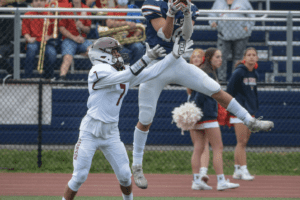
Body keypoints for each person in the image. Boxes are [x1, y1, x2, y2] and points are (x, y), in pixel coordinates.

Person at [131, 0, 274, 190]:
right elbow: (165, 35)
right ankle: (137, 165)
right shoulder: (153, 4)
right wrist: (172, 13)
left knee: (215, 89)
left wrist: (188, 14)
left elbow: (187, 34)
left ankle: (250, 121)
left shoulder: (191, 6)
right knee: (146, 118)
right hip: (155, 65)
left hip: (176, 62)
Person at [61, 36, 193, 200]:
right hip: (90, 131)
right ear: (102, 54)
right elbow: (126, 76)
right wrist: (146, 58)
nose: (118, 54)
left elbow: (151, 72)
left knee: (124, 175)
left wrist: (173, 56)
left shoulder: (120, 70)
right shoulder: (97, 70)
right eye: (114, 51)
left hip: (111, 133)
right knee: (79, 176)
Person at [189, 48, 240, 191]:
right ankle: (221, 181)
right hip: (207, 115)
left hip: (197, 115)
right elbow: (200, 95)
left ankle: (196, 180)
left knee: (198, 148)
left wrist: (193, 112)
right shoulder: (208, 73)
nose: (220, 59)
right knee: (218, 147)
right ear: (210, 58)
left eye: (221, 57)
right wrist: (198, 110)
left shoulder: (203, 71)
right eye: (217, 57)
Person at [227, 47, 259, 181]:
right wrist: (237, 106)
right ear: (244, 57)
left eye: (254, 55)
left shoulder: (255, 74)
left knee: (243, 142)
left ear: (257, 58)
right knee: (241, 141)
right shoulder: (239, 72)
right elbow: (229, 90)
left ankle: (237, 170)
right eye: (249, 55)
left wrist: (254, 108)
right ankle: (244, 170)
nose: (251, 57)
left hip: (250, 112)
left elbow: (253, 93)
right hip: (239, 112)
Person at [208, 0, 255, 81]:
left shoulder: (243, 1)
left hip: (241, 36)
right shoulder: (218, 2)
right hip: (223, 36)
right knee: (220, 57)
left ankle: (236, 79)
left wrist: (248, 27)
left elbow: (252, 16)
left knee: (238, 58)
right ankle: (221, 79)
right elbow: (211, 14)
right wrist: (212, 22)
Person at [186, 49, 210, 190]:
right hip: (193, 108)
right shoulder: (188, 71)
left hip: (205, 108)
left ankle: (203, 173)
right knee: (198, 145)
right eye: (193, 57)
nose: (195, 58)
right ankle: (197, 176)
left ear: (203, 58)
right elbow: (189, 91)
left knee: (205, 143)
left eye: (198, 56)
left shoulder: (207, 71)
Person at [57, 0, 92, 81]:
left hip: (82, 40)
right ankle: (62, 77)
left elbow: (88, 29)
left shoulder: (86, 9)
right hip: (69, 39)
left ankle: (98, 77)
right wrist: (74, 38)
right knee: (67, 56)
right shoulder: (65, 8)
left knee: (94, 51)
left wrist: (82, 27)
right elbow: (61, 28)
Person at [22, 0, 57, 79]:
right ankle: (27, 78)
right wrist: (29, 38)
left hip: (47, 42)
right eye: (36, 1)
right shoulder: (27, 15)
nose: (38, 3)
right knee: (31, 49)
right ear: (32, 3)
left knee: (52, 53)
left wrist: (49, 37)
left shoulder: (50, 15)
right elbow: (25, 31)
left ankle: (48, 78)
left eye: (41, 1)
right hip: (33, 41)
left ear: (45, 3)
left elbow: (54, 33)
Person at [106, 0, 146, 66]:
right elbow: (109, 23)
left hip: (131, 40)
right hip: (117, 41)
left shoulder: (133, 9)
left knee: (139, 47)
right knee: (122, 51)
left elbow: (140, 27)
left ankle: (135, 69)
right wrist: (126, 23)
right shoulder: (113, 10)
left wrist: (134, 37)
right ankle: (124, 70)